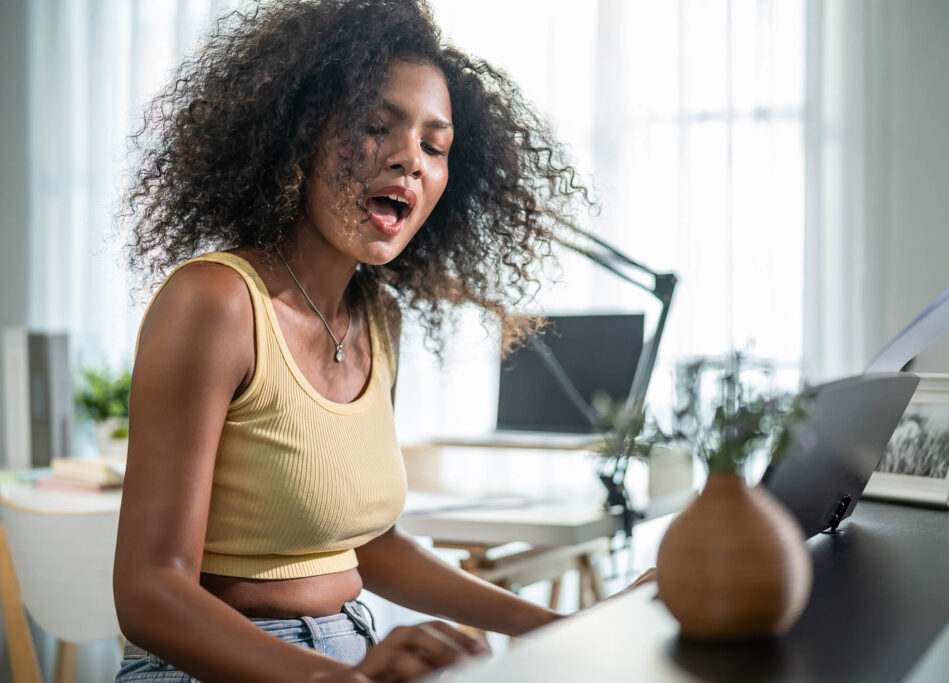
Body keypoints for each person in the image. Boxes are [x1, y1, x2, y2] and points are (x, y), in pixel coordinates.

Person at [112, 1, 595, 681]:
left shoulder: (378, 317)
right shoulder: (216, 303)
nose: (408, 159)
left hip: (351, 645)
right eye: (376, 126)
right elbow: (149, 591)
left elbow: (368, 546)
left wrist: (557, 625)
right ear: (300, 133)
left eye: (436, 145)